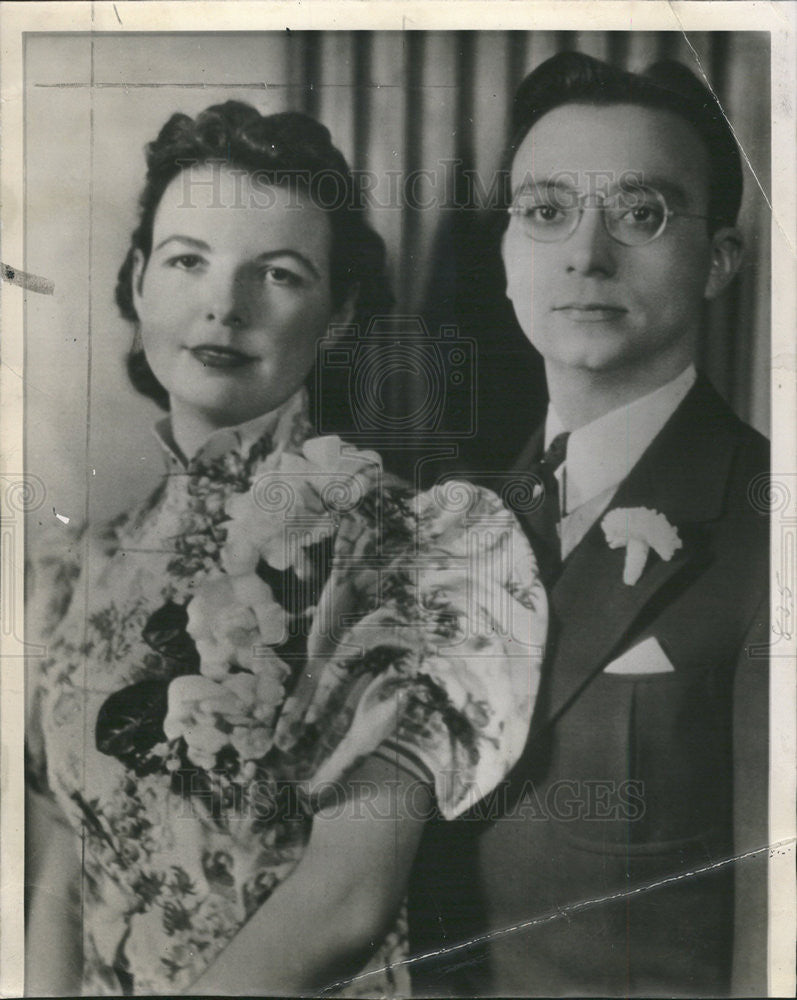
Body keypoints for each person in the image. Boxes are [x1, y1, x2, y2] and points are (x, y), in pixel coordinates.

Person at [24, 102, 548, 997]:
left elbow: (345, 903)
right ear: (141, 280)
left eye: (277, 274)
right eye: (188, 260)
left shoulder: (409, 548)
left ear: (339, 313)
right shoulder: (75, 569)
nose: (222, 306)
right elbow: (63, 867)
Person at [410, 52, 769, 998]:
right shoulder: (453, 521)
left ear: (719, 260)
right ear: (503, 253)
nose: (586, 252)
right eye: (546, 210)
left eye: (642, 214)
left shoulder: (769, 529)